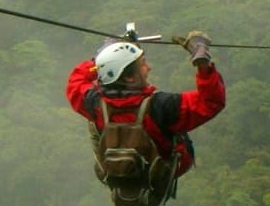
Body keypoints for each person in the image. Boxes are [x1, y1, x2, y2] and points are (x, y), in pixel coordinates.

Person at [66, 31, 225, 196]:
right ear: (130, 78)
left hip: (117, 173)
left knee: (94, 125)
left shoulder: (95, 103)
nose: (149, 67)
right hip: (162, 173)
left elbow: (75, 82)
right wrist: (203, 65)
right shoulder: (162, 107)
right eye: (143, 64)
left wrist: (103, 57)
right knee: (177, 129)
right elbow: (211, 102)